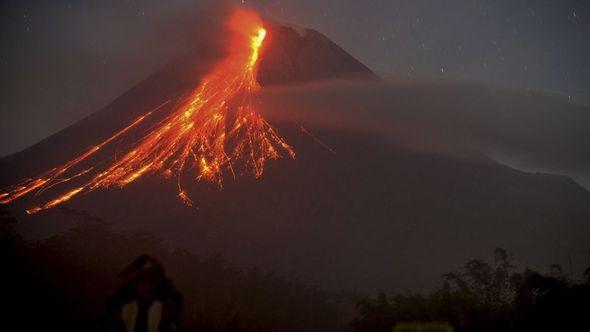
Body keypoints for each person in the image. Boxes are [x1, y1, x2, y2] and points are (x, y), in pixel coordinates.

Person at [107, 255, 181, 332]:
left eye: (151, 282)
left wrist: (165, 321)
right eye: (141, 282)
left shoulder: (162, 309)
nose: (146, 287)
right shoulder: (126, 308)